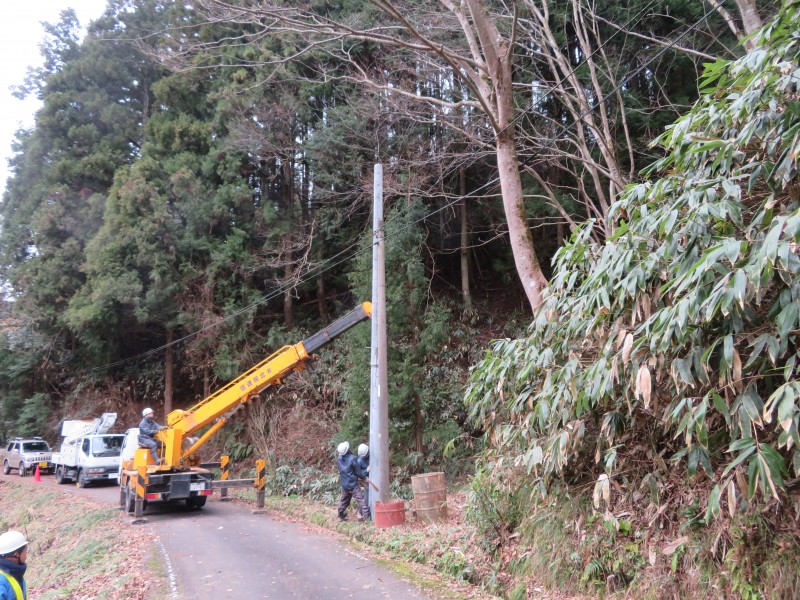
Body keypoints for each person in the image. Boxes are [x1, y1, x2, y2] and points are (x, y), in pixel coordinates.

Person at [336, 442, 369, 522]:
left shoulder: (339, 459)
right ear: (347, 449)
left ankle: (341, 515)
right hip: (353, 485)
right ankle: (368, 518)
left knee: (344, 501)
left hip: (344, 485)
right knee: (361, 500)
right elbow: (358, 472)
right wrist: (364, 478)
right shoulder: (352, 458)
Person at [0, 530, 28, 600]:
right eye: (25, 550)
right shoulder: (1, 582)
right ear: (16, 554)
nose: (26, 553)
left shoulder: (16, 572)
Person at [357, 443, 371, 520]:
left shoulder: (372, 456)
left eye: (365, 454)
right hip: (367, 480)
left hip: (375, 479)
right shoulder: (359, 461)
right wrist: (366, 470)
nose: (365, 456)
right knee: (366, 497)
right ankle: (360, 513)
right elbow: (358, 473)